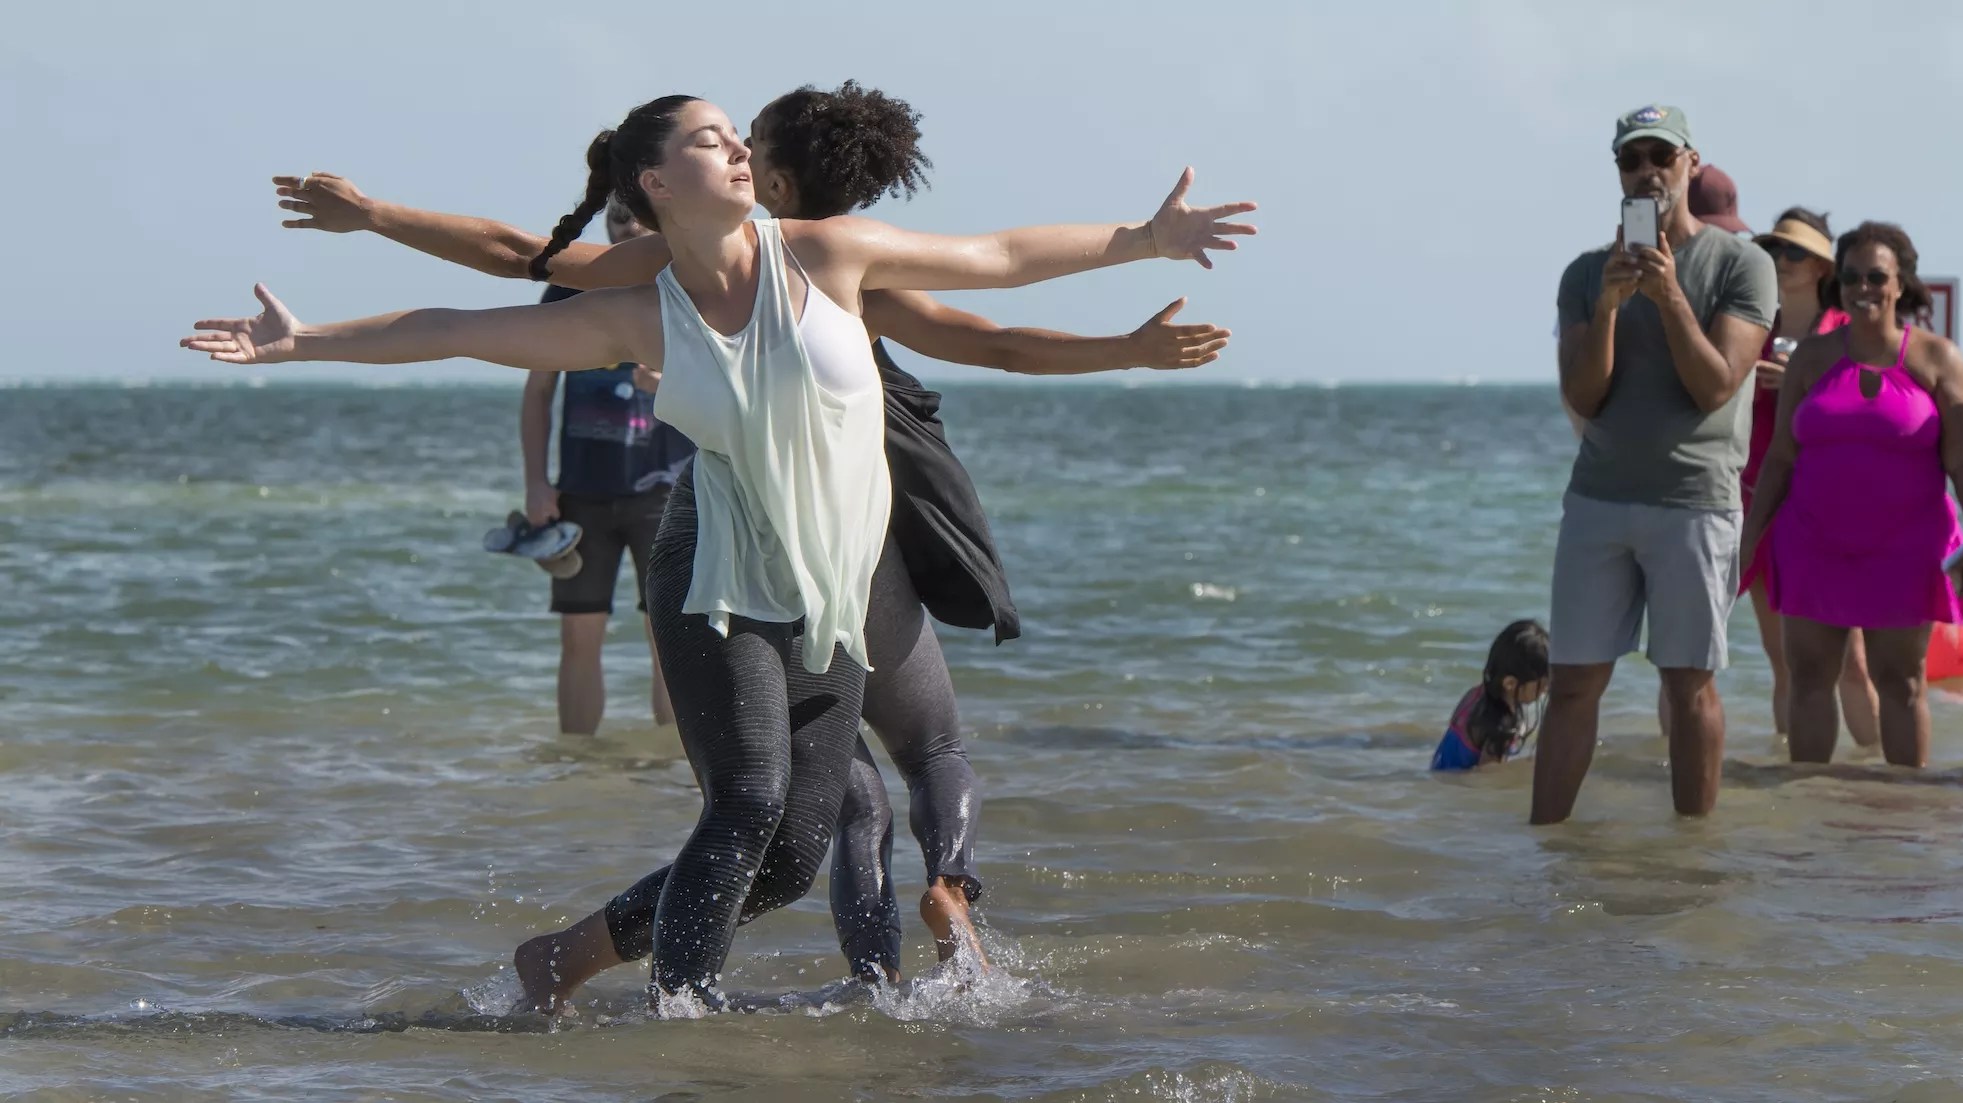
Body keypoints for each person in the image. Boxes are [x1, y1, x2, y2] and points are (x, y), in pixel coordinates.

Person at [186, 93, 1258, 1012]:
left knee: (792, 855)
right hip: (713, 570)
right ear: (652, 181)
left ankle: (561, 956)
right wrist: (304, 339)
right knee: (746, 803)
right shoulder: (638, 314)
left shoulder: (828, 253)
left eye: (739, 135)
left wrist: (1142, 240)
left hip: (830, 580)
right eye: (711, 140)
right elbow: (462, 321)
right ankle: (680, 1014)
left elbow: (1001, 260)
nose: (740, 149)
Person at [1535, 105, 1776, 825]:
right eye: (1630, 161)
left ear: (1690, 164)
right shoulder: (1584, 273)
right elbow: (1584, 394)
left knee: (1689, 686)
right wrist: (1608, 305)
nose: (1645, 173)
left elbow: (1713, 384)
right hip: (1600, 497)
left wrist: (1667, 291)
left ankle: (1691, 853)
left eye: (1659, 158)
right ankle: (1544, 848)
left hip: (1695, 500)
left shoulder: (1743, 265)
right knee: (1573, 681)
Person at [1741, 221, 1963, 768]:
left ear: (1901, 283)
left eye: (1877, 276)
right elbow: (1781, 456)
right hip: (1812, 544)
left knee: (1900, 683)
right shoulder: (1811, 358)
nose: (1864, 288)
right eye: (1852, 276)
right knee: (1809, 680)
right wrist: (1750, 536)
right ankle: (1812, 814)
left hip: (1907, 549)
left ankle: (1901, 825)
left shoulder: (1938, 360)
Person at [524, 196, 695, 735]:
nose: (627, 232)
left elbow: (733, 380)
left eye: (638, 222)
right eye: (618, 221)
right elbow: (538, 391)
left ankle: (679, 769)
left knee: (669, 639)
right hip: (582, 492)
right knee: (578, 638)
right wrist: (536, 484)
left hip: (668, 493)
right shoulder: (570, 287)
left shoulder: (687, 287)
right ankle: (575, 767)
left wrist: (668, 383)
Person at [1737, 209, 1878, 750]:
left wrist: (1802, 380)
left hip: (1831, 506)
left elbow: (1874, 403)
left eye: (1794, 252)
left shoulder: (1846, 329)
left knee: (1852, 664)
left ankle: (1878, 779)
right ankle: (1794, 787)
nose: (1780, 261)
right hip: (1763, 502)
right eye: (1773, 250)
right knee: (1786, 664)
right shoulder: (1753, 323)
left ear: (1823, 265)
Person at [1431, 620, 1549, 771]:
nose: (1544, 691)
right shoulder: (1502, 729)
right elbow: (1487, 778)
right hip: (1455, 785)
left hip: (1438, 772)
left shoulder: (1475, 694)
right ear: (1510, 684)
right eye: (1540, 686)